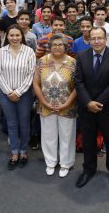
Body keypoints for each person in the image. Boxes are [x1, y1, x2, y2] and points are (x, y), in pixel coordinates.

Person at [74, 27, 109, 189]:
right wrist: (88, 102)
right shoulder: (81, 56)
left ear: (106, 39)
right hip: (86, 108)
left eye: (100, 38)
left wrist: (98, 102)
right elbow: (78, 81)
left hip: (108, 108)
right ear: (89, 40)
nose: (96, 41)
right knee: (88, 141)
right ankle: (88, 170)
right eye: (93, 38)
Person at [33, 34, 78, 178]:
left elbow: (78, 86)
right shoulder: (41, 61)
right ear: (49, 47)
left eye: (60, 45)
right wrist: (44, 102)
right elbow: (36, 84)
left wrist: (67, 103)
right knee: (48, 135)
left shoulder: (73, 63)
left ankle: (66, 163)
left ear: (66, 47)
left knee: (67, 135)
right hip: (46, 106)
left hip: (68, 106)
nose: (57, 47)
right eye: (54, 45)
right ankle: (51, 162)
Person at [0, 25, 37, 170]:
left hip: (24, 95)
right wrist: (8, 92)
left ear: (22, 36)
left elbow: (31, 74)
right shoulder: (1, 51)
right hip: (6, 95)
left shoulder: (29, 52)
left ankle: (23, 151)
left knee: (24, 123)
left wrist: (18, 92)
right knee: (12, 124)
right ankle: (14, 153)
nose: (14, 38)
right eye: (11, 35)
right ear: (7, 36)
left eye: (17, 35)